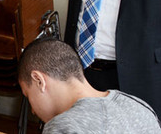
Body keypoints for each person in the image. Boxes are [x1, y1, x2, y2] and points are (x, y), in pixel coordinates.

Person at [18, 38, 161, 133]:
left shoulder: (64, 126)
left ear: (39, 80)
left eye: (28, 95)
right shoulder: (140, 106)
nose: (33, 110)